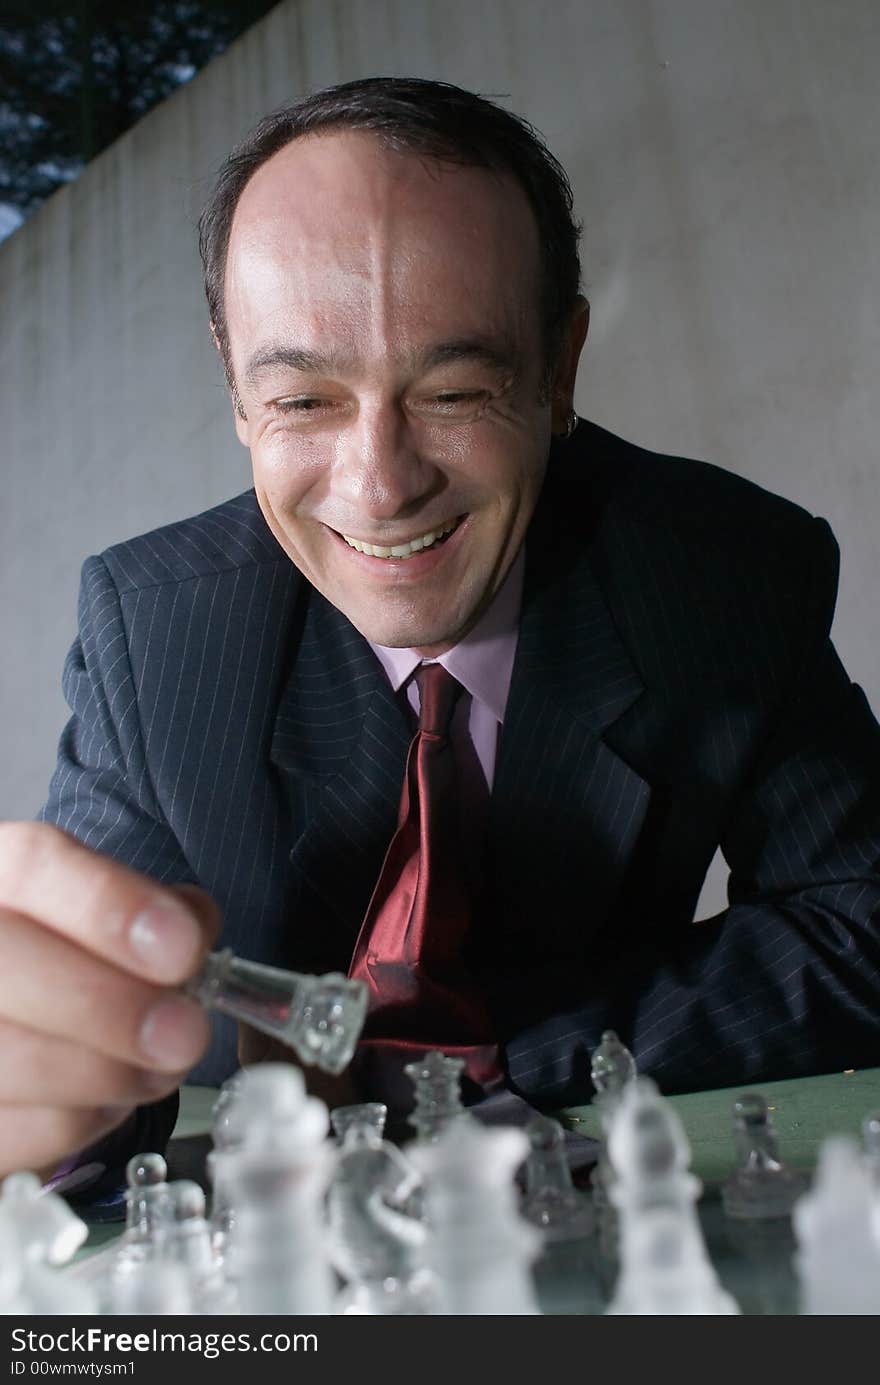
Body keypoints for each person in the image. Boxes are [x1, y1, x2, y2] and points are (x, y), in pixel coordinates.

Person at [1, 77, 879, 1182]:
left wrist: (485, 1059)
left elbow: (859, 925)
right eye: (304, 402)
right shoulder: (152, 631)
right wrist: (44, 1073)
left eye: (456, 391)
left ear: (559, 368)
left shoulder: (727, 574)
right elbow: (82, 1096)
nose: (380, 488)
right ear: (234, 387)